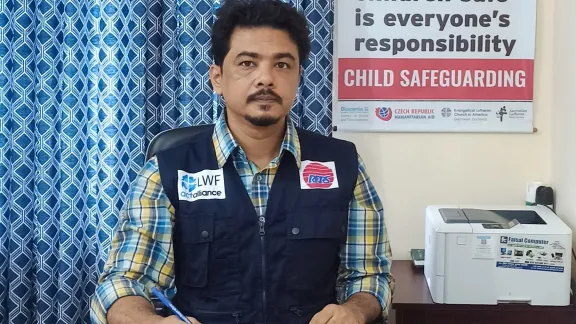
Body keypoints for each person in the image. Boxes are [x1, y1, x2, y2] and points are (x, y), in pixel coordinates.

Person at [90, 0, 394, 323]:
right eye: (248, 63)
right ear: (217, 77)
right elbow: (123, 283)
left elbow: (371, 276)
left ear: (298, 77)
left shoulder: (343, 165)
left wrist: (353, 311)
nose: (266, 78)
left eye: (282, 65)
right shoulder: (167, 172)